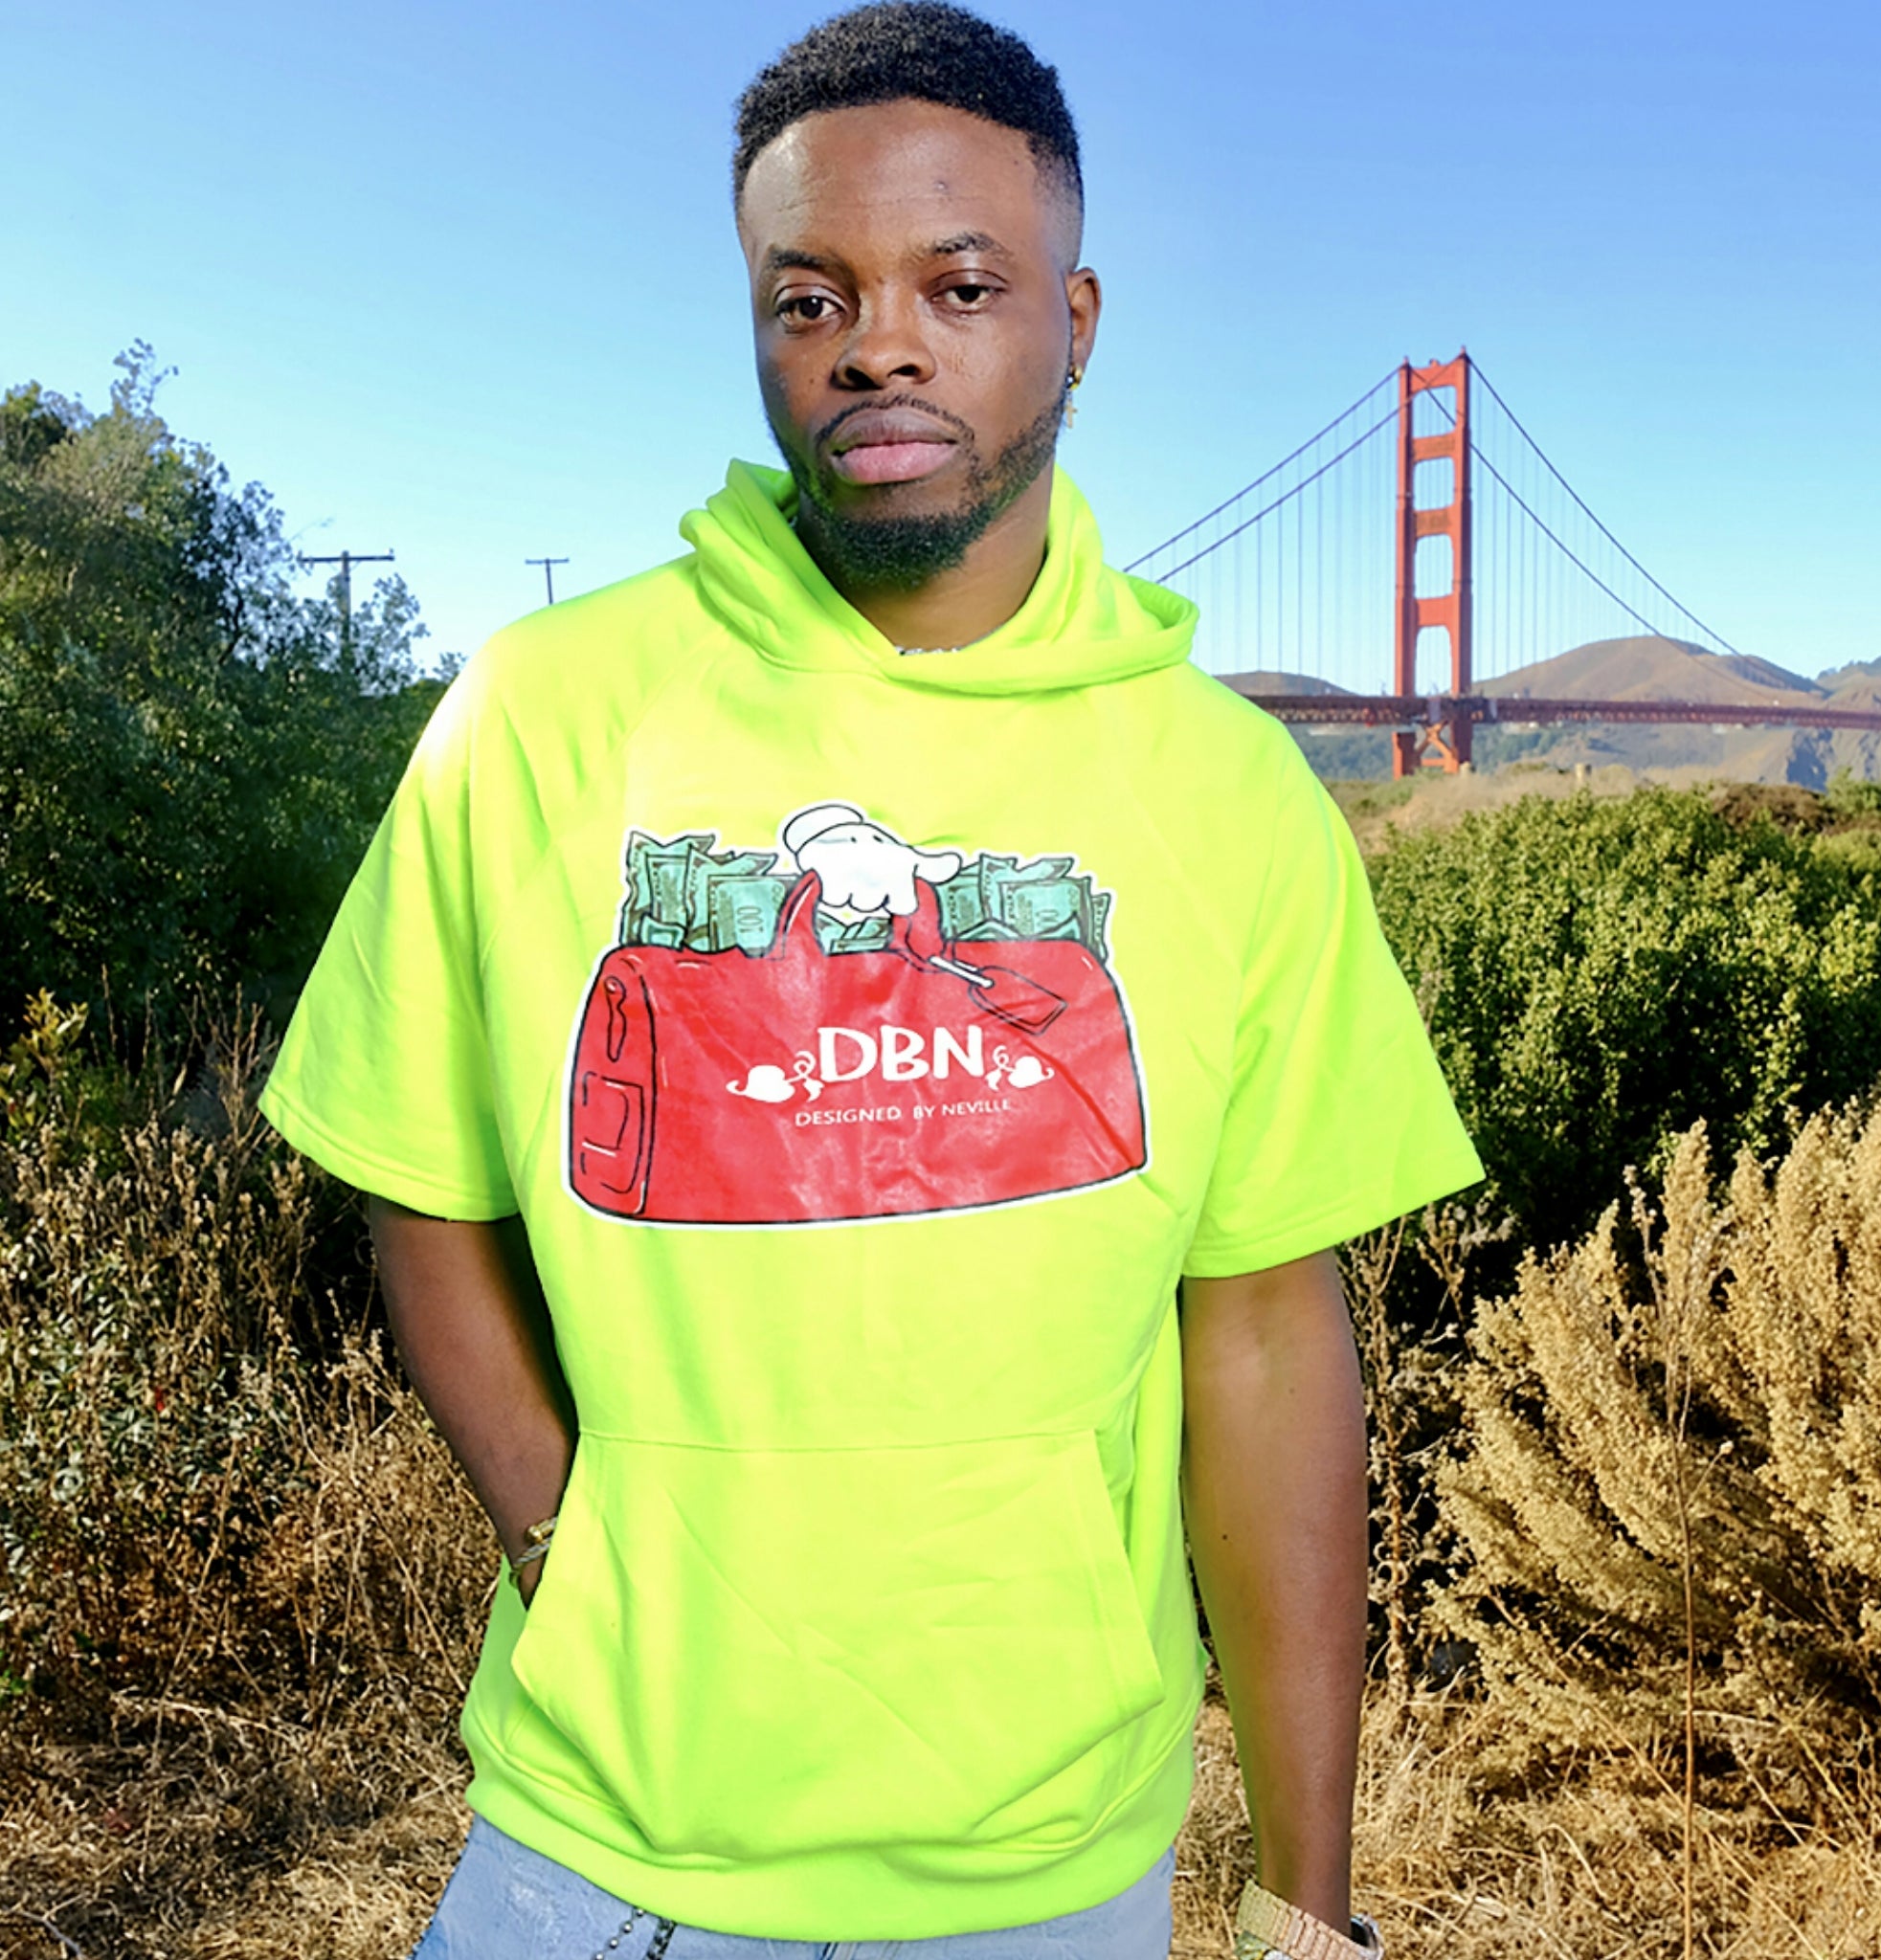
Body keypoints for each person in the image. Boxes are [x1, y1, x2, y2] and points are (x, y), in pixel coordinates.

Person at [258, 6, 1483, 1957]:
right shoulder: (543, 714)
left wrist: (1301, 1900)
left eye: (960, 283)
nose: (878, 342)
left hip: (1050, 1872)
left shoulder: (1228, 791)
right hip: (599, 1856)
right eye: (806, 292)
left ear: (1074, 321)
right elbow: (419, 1170)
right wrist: (561, 1531)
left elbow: (1264, 1339)